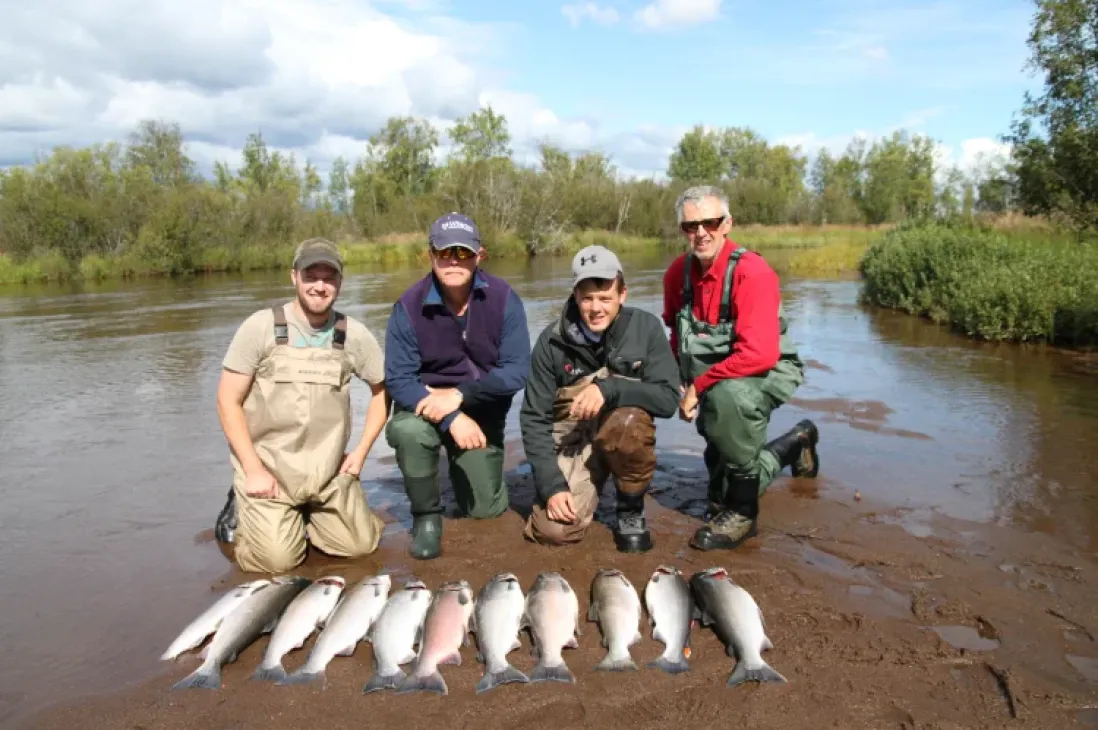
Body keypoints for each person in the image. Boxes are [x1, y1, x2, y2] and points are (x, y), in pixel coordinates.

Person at [212, 238, 388, 574]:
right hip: (271, 473)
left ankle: (306, 516)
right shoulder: (260, 327)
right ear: (294, 276)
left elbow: (382, 393)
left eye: (329, 277)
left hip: (327, 473)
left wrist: (360, 454)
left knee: (361, 548)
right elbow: (227, 400)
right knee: (276, 563)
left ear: (340, 282)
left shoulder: (354, 335)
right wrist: (253, 470)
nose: (320, 286)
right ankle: (242, 510)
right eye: (311, 275)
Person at [662, 185, 821, 552]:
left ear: (727, 223)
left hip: (767, 368)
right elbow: (675, 333)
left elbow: (759, 355)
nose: (700, 233)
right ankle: (797, 442)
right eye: (690, 226)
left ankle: (745, 514)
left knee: (728, 400)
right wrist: (681, 382)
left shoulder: (753, 273)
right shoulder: (676, 274)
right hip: (711, 377)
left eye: (710, 223)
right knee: (720, 483)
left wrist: (698, 387)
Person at [383, 212, 531, 560]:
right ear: (430, 255)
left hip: (482, 412)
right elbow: (399, 379)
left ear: (480, 254)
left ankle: (462, 466)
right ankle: (426, 518)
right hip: (426, 409)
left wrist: (461, 396)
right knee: (407, 432)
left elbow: (516, 371)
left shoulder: (504, 299)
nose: (453, 260)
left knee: (485, 510)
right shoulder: (407, 306)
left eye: (463, 252)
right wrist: (451, 417)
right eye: (444, 251)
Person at [520, 245, 680, 553]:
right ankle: (582, 479)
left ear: (623, 295)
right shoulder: (550, 341)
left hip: (621, 429)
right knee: (554, 532)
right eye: (587, 298)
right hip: (573, 439)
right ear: (575, 296)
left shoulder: (646, 327)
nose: (596, 308)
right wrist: (552, 487)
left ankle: (630, 508)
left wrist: (609, 389)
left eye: (605, 298)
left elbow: (668, 399)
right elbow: (533, 418)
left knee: (629, 418)